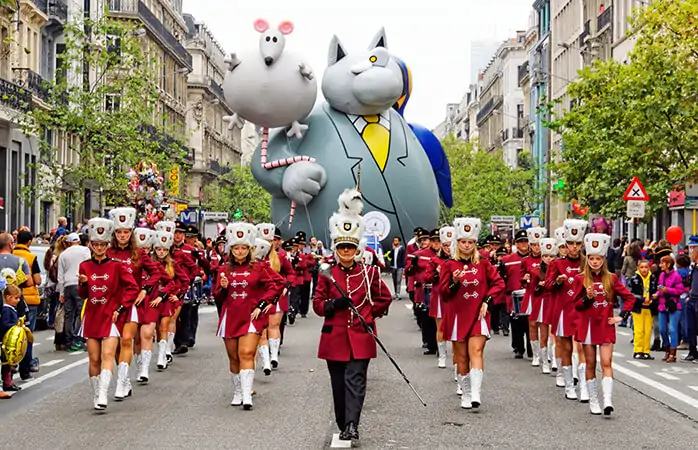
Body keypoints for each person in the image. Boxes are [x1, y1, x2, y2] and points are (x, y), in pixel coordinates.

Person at [313, 189, 392, 444]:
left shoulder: (369, 273)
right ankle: (342, 422)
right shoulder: (327, 272)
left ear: (356, 248)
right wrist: (334, 304)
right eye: (341, 247)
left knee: (356, 382)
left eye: (350, 246)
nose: (346, 251)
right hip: (334, 338)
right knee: (338, 386)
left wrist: (370, 316)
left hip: (361, 336)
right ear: (336, 248)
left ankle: (352, 425)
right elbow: (317, 305)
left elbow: (384, 298)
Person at [213, 222, 284, 410]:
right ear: (231, 249)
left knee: (246, 353)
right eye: (236, 248)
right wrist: (223, 287)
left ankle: (246, 395)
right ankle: (237, 391)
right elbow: (217, 296)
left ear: (249, 248)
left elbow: (277, 284)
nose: (240, 251)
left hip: (251, 316)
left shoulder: (258, 267)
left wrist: (262, 304)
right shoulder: (223, 269)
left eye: (243, 247)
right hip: (230, 316)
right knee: (234, 357)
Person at [439, 217, 504, 410]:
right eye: (463, 242)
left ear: (475, 243)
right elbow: (444, 293)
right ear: (457, 243)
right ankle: (466, 393)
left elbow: (498, 283)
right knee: (461, 358)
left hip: (478, 315)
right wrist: (455, 282)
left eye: (470, 242)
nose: (467, 246)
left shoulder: (483, 263)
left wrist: (486, 301)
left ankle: (476, 393)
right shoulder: (449, 265)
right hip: (457, 316)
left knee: (475, 350)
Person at [78, 218, 138, 411]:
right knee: (94, 358)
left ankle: (104, 392)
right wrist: (83, 283)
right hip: (92, 316)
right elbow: (83, 295)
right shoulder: (84, 266)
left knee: (108, 354)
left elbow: (132, 287)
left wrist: (120, 308)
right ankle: (96, 393)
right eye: (95, 244)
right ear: (90, 245)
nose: (99, 248)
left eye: (102, 245)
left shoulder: (117, 265)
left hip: (110, 316)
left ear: (107, 245)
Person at [574, 233, 635, 416]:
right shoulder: (580, 279)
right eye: (591, 258)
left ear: (603, 259)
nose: (594, 261)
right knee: (591, 363)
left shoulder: (612, 278)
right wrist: (587, 297)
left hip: (605, 325)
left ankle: (607, 400)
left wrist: (621, 316)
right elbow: (576, 306)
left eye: (598, 258)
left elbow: (629, 297)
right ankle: (593, 400)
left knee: (607, 362)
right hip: (588, 326)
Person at [107, 207, 163, 400]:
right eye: (119, 232)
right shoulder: (107, 251)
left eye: (126, 232)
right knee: (113, 345)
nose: (122, 236)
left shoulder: (139, 253)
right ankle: (125, 380)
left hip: (131, 303)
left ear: (131, 233)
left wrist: (145, 289)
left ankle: (122, 381)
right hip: (110, 303)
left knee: (126, 340)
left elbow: (156, 272)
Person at [546, 219, 588, 401]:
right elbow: (548, 285)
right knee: (565, 346)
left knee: (583, 347)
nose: (573, 247)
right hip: (563, 309)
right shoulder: (557, 264)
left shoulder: (588, 262)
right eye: (570, 243)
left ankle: (585, 385)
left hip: (583, 309)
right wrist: (557, 282)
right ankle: (569, 384)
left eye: (577, 244)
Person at [12, 230, 42, 379]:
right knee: (27, 335)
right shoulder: (31, 258)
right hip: (28, 300)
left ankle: (11, 364)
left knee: (11, 334)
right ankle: (27, 365)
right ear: (29, 241)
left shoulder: (10, 255)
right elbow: (37, 280)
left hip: (9, 299)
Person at [57, 233, 92, 352]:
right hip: (79, 283)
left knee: (69, 313)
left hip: (67, 285)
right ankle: (78, 339)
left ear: (68, 243)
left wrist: (61, 292)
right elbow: (89, 266)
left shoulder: (63, 254)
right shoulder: (85, 250)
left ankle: (68, 340)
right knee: (80, 312)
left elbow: (60, 276)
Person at [426, 226, 454, 369]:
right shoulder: (434, 260)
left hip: (456, 296)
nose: (448, 248)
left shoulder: (459, 259)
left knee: (457, 328)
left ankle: (458, 360)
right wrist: (437, 273)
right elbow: (427, 277)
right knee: (441, 327)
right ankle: (442, 355)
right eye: (445, 245)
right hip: (440, 296)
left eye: (450, 244)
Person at [520, 227, 546, 367]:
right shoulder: (525, 260)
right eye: (534, 245)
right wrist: (524, 279)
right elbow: (521, 279)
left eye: (539, 244)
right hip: (532, 294)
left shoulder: (548, 258)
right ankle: (535, 354)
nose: (536, 248)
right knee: (532, 324)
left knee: (544, 325)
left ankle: (545, 354)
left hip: (545, 295)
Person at [655, 255, 685, 363]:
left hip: (674, 306)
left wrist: (666, 290)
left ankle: (673, 353)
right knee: (662, 329)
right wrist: (657, 293)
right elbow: (660, 287)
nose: (660, 265)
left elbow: (680, 290)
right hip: (662, 305)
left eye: (662, 263)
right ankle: (666, 349)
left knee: (672, 329)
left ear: (668, 264)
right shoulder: (662, 275)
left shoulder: (676, 276)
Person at [628, 260, 658, 360]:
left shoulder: (653, 278)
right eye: (642, 267)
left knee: (648, 330)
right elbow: (630, 293)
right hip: (638, 308)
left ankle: (646, 351)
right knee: (639, 330)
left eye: (646, 267)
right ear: (638, 268)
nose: (644, 269)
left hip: (649, 307)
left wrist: (653, 298)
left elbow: (656, 291)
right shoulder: (634, 279)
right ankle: (638, 350)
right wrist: (642, 299)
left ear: (649, 268)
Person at [1, 284, 22, 397]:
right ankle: (7, 383)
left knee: (9, 363)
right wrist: (15, 326)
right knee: (7, 363)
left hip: (8, 340)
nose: (18, 300)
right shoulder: (6, 310)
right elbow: (5, 324)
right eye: (16, 298)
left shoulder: (10, 309)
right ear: (8, 297)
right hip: (6, 340)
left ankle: (8, 382)